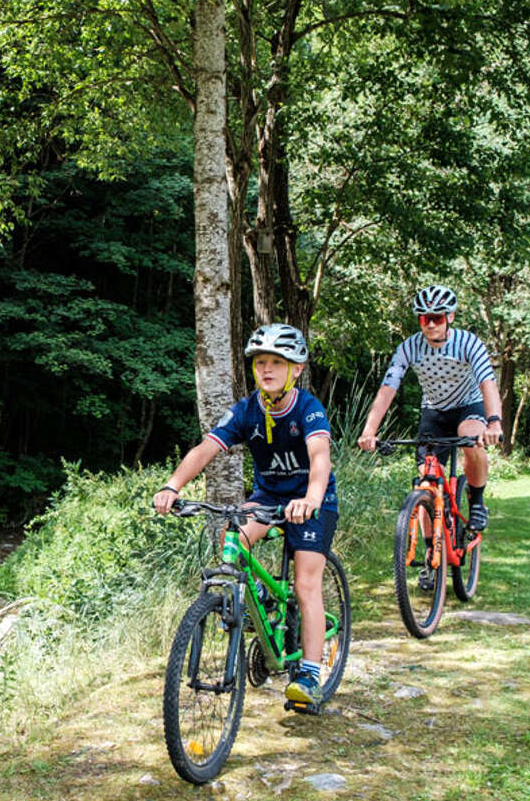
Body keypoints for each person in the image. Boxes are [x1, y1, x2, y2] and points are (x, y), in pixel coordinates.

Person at [153, 324, 339, 709]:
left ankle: (308, 673)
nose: (266, 370)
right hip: (269, 496)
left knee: (306, 583)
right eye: (260, 363)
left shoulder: (308, 408)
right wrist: (173, 486)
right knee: (231, 537)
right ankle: (256, 604)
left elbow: (320, 458)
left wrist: (311, 498)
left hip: (312, 500)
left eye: (276, 362)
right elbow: (205, 449)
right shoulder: (246, 410)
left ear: (296, 369)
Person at [357, 285, 502, 588]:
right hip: (434, 412)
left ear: (449, 317)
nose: (431, 324)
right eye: (424, 319)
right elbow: (388, 389)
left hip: (468, 406)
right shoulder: (409, 347)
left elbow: (488, 383)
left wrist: (494, 422)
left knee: (470, 438)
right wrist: (370, 430)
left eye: (436, 317)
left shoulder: (468, 343)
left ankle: (476, 501)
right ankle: (430, 560)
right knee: (426, 481)